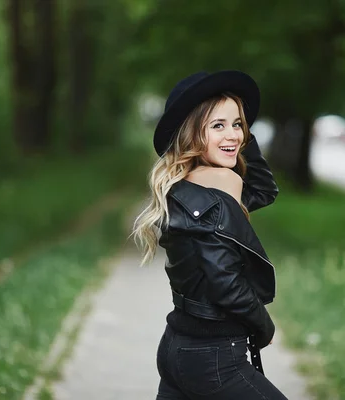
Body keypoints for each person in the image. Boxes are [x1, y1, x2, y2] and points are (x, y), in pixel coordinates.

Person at [132, 70, 287, 399]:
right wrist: (264, 326)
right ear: (191, 134)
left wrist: (236, 137)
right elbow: (226, 284)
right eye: (218, 125)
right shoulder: (212, 200)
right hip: (213, 358)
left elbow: (263, 189)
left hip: (180, 346)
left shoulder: (192, 188)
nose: (233, 135)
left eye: (237, 124)